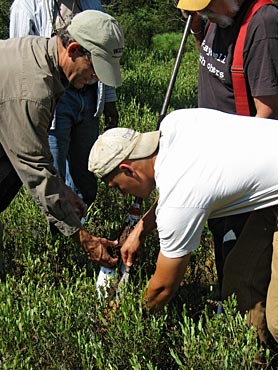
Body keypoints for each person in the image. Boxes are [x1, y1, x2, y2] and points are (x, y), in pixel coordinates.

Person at [88, 108, 278, 344]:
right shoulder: (174, 123)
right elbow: (182, 183)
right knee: (241, 280)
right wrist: (141, 229)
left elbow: (163, 288)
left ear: (127, 169)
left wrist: (126, 317)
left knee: (277, 320)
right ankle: (255, 357)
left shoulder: (178, 203)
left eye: (117, 186)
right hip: (272, 196)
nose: (124, 195)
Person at [0, 10, 124, 267]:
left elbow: (35, 149)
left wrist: (64, 191)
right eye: (95, 68)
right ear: (74, 50)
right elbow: (35, 172)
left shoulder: (41, 55)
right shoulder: (32, 92)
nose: (96, 79)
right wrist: (85, 240)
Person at [176, 0, 278, 303]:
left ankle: (249, 341)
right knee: (224, 249)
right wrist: (197, 28)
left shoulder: (263, 24)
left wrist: (231, 179)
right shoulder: (218, 18)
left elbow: (268, 115)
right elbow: (216, 62)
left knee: (245, 272)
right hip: (217, 164)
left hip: (244, 173)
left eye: (206, 7)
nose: (202, 13)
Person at [9, 0, 119, 208]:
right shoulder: (26, 6)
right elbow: (22, 67)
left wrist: (109, 101)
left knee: (86, 170)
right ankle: (62, 228)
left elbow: (105, 58)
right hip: (51, 100)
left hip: (90, 96)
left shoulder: (92, 3)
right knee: (52, 169)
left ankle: (83, 216)